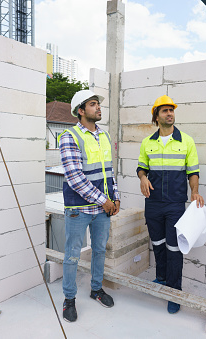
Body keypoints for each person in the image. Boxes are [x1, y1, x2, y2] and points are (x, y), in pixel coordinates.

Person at [137, 95, 204, 314]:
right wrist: (142, 177)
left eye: (171, 110)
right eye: (164, 110)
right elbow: (141, 167)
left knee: (174, 249)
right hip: (153, 204)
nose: (169, 114)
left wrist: (194, 192)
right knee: (157, 243)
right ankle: (162, 278)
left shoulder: (186, 141)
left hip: (175, 204)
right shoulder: (148, 142)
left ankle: (174, 293)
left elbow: (192, 172)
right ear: (156, 116)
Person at [58, 89, 120, 323]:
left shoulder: (103, 136)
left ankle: (96, 289)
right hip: (78, 210)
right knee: (72, 255)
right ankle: (69, 299)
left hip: (102, 209)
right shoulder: (69, 136)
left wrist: (116, 196)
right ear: (81, 111)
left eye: (98, 104)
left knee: (100, 250)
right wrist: (104, 200)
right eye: (93, 104)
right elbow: (75, 178)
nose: (98, 107)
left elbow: (109, 172)